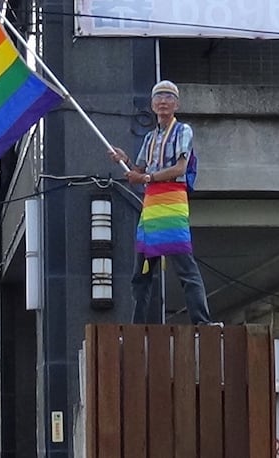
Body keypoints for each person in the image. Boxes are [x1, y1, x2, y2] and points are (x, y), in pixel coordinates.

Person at [109, 80, 220, 326]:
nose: (163, 101)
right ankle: (137, 328)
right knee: (141, 275)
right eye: (158, 96)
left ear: (176, 104)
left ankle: (202, 322)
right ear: (151, 104)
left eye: (168, 97)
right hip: (150, 209)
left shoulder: (183, 131)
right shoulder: (150, 138)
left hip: (171, 203)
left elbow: (179, 168)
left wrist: (145, 177)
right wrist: (124, 159)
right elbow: (137, 170)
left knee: (185, 269)